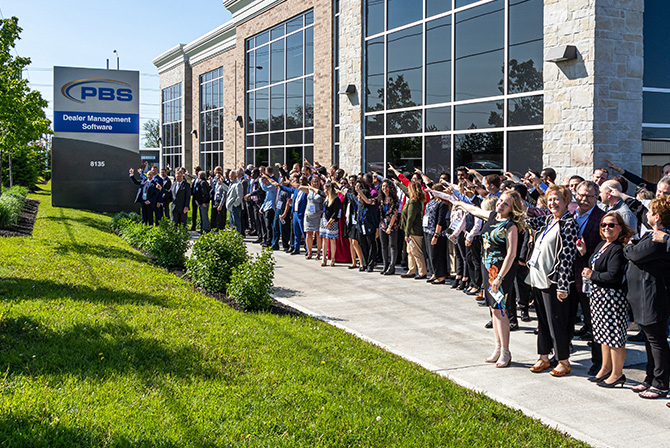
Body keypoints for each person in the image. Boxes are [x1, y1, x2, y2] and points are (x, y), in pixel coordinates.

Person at [441, 190, 525, 368]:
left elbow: (511, 255)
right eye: (500, 200)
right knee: (493, 310)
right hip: (488, 271)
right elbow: (474, 209)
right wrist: (460, 204)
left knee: (501, 311)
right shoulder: (492, 216)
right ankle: (497, 347)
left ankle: (506, 352)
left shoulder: (511, 226)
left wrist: (500, 278)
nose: (500, 204)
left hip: (500, 273)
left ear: (512, 209)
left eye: (505, 203)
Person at [526, 185, 579, 377]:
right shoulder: (549, 219)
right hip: (538, 279)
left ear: (566, 202)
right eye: (550, 200)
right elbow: (527, 220)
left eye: (557, 199)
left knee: (556, 321)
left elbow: (567, 257)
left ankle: (563, 360)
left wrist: (563, 285)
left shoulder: (568, 224)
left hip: (554, 282)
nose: (553, 203)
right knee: (542, 321)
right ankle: (544, 356)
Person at [578, 212, 632, 388]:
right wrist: (585, 254)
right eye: (603, 225)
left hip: (612, 299)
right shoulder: (603, 245)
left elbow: (613, 276)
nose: (607, 228)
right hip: (598, 297)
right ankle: (605, 368)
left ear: (620, 228)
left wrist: (592, 274)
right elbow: (597, 266)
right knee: (602, 336)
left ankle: (617, 374)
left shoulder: (617, 248)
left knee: (614, 338)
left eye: (611, 225)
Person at [624, 196, 670, 399]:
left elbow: (634, 254)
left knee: (657, 340)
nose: (647, 215)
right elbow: (643, 216)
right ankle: (650, 377)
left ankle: (661, 383)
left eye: (650, 212)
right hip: (642, 296)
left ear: (658, 217)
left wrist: (628, 246)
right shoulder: (652, 234)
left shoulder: (659, 239)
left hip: (653, 296)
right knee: (650, 340)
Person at [396, 180, 427, 279]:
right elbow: (405, 190)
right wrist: (398, 183)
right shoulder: (413, 199)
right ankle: (412, 270)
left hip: (414, 232)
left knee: (416, 252)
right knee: (410, 251)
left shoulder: (413, 202)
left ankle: (422, 272)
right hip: (411, 231)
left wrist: (406, 233)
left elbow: (410, 219)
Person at [378, 179, 400, 276]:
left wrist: (390, 227)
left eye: (386, 186)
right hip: (383, 225)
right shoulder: (381, 199)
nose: (384, 188)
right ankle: (385, 265)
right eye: (383, 186)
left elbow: (395, 214)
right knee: (383, 246)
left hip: (392, 225)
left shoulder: (394, 199)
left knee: (392, 245)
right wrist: (360, 193)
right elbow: (369, 201)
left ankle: (392, 266)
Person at [319, 181, 341, 266]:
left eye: (325, 189)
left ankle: (332, 258)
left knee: (332, 240)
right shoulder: (327, 198)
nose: (324, 191)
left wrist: (330, 222)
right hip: (324, 219)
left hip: (332, 221)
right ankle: (323, 258)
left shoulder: (336, 199)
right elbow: (319, 192)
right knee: (324, 239)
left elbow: (335, 212)